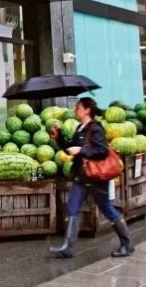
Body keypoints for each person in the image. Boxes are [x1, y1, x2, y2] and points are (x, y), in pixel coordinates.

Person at [48, 97, 135, 258]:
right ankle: (68, 247)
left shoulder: (95, 128)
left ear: (87, 110)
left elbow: (101, 150)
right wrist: (59, 137)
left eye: (78, 107)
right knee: (72, 208)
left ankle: (127, 244)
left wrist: (81, 151)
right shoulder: (80, 128)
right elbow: (70, 148)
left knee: (107, 209)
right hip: (81, 177)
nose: (75, 110)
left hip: (96, 178)